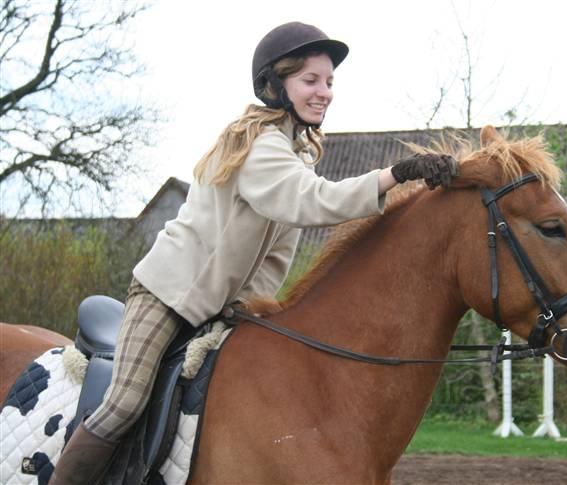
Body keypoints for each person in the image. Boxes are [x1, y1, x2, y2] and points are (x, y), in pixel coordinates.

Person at [49, 21, 458, 485]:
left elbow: (276, 256)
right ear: (274, 84)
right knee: (124, 404)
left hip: (221, 308)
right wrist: (395, 175)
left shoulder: (296, 154)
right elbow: (315, 202)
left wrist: (252, 307)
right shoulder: (261, 148)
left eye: (329, 82)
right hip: (166, 296)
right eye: (311, 80)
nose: (324, 92)